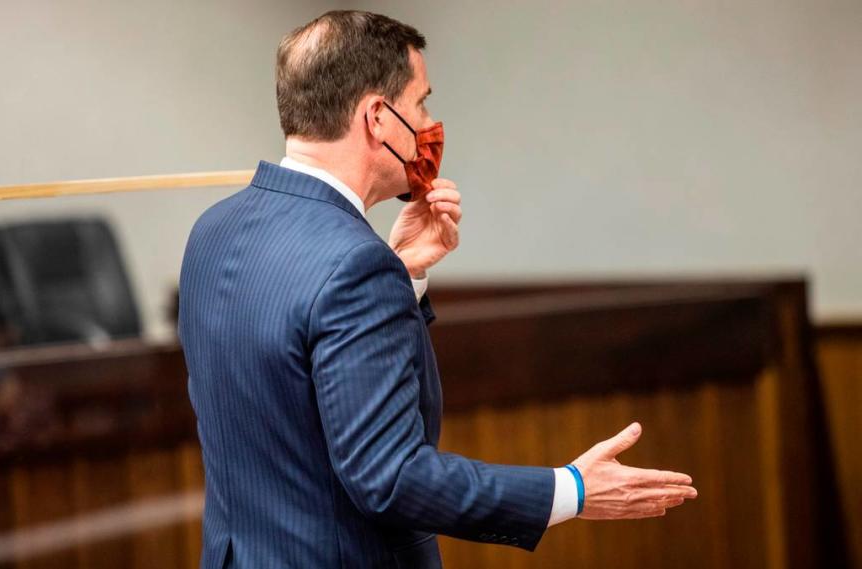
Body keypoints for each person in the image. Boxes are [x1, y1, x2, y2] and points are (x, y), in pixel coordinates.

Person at [178, 10, 697, 568]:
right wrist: (569, 490)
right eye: (420, 103)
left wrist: (401, 275)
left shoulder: (213, 230)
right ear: (378, 117)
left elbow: (291, 390)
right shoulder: (355, 263)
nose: (429, 122)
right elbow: (391, 477)